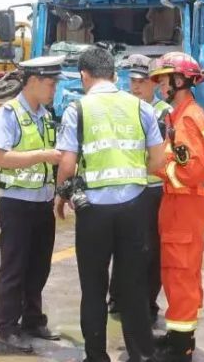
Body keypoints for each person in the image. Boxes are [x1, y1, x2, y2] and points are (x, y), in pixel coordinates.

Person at [55, 47, 165, 362]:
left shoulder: (78, 109)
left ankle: (96, 356)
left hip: (93, 211)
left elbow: (67, 163)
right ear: (116, 76)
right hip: (135, 206)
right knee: (133, 285)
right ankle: (141, 355)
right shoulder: (142, 108)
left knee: (93, 288)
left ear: (84, 76)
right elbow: (158, 160)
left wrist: (61, 195)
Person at [0, 56, 65, 353]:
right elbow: (1, 158)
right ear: (33, 82)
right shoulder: (8, 114)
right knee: (13, 269)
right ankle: (7, 328)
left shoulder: (46, 115)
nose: (54, 89)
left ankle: (33, 320)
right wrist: (44, 155)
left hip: (42, 204)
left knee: (38, 267)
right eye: (50, 83)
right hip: (16, 205)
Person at [148, 52, 204, 362]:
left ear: (179, 81)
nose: (161, 86)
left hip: (183, 203)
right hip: (181, 204)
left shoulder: (188, 118)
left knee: (181, 273)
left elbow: (194, 170)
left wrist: (160, 168)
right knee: (179, 273)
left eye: (164, 80)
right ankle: (178, 336)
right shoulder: (183, 115)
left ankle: (181, 349)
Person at [107, 54, 169, 331]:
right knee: (123, 248)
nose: (136, 87)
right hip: (128, 189)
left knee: (151, 251)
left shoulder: (163, 113)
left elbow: (162, 154)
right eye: (132, 81)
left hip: (153, 191)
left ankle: (148, 304)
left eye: (142, 82)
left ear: (154, 84)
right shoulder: (124, 108)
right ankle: (118, 300)